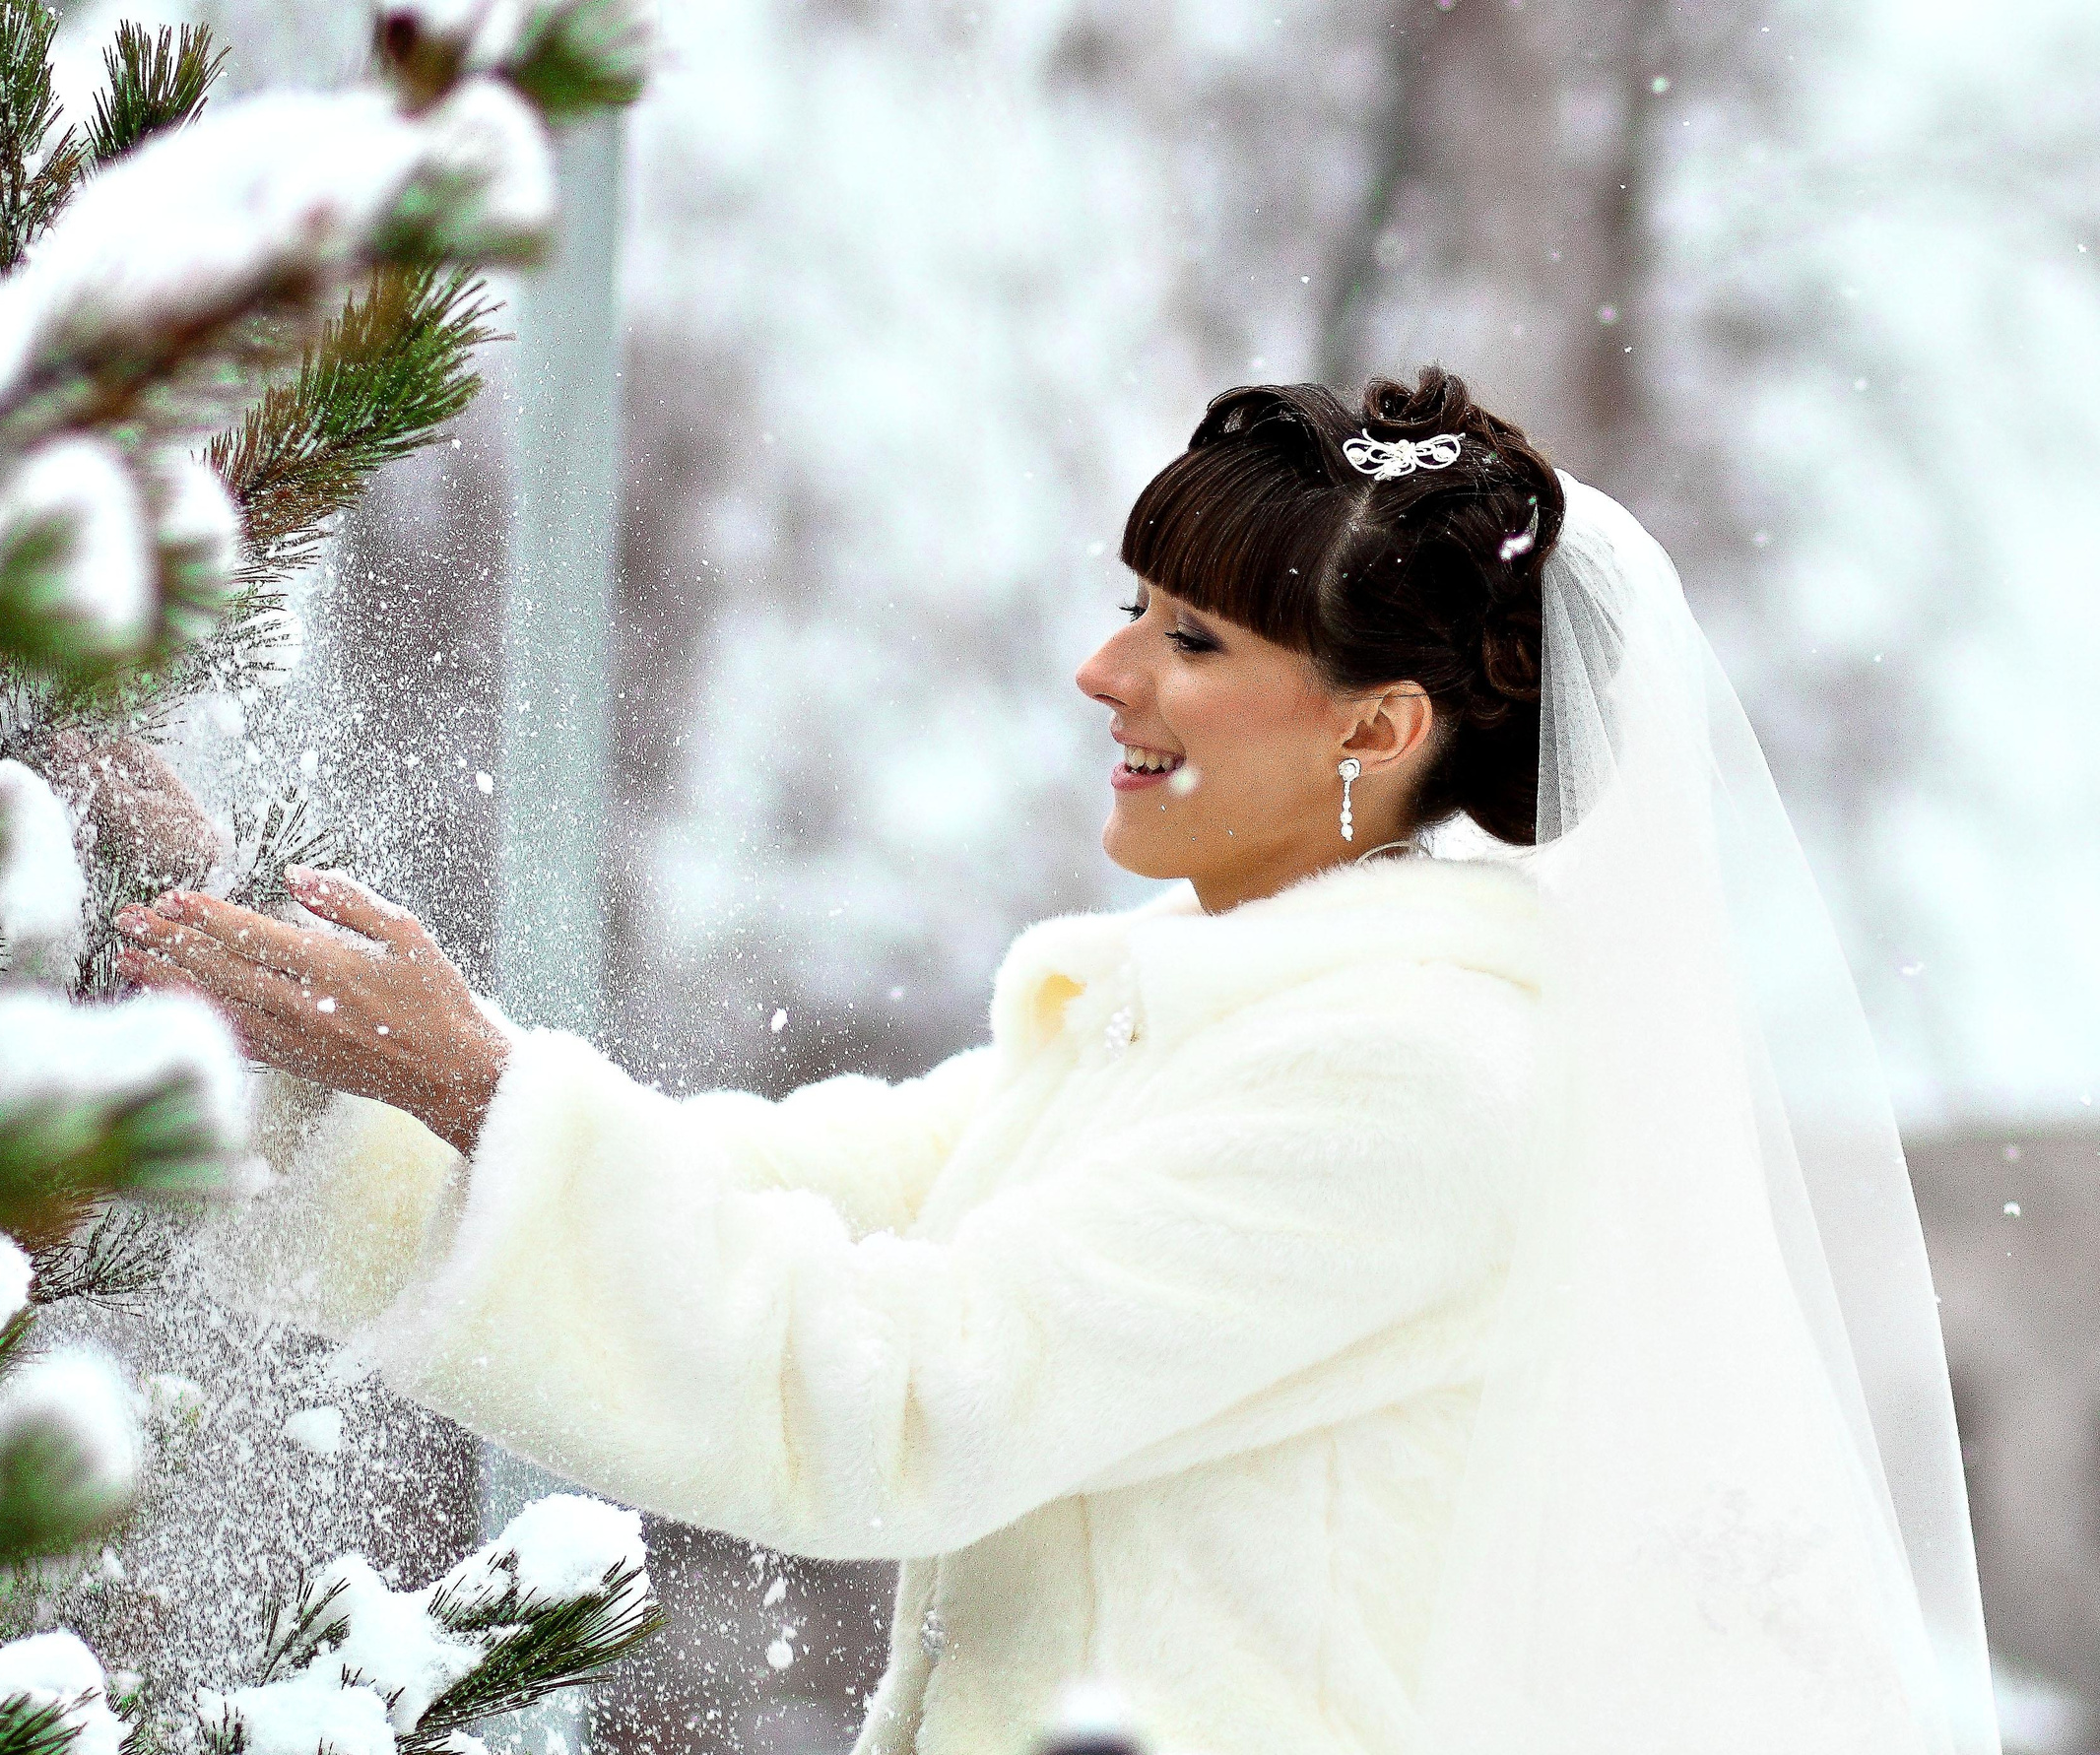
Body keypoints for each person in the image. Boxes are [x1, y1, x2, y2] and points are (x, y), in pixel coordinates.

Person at [110, 368, 1997, 1755]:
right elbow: (782, 1197)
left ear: (1385, 724)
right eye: (1128, 612)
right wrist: (273, 1040)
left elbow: (898, 1391)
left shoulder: (1418, 1082)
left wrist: (475, 1089)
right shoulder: (1171, 1018)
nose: (1108, 677)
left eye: (1191, 636)